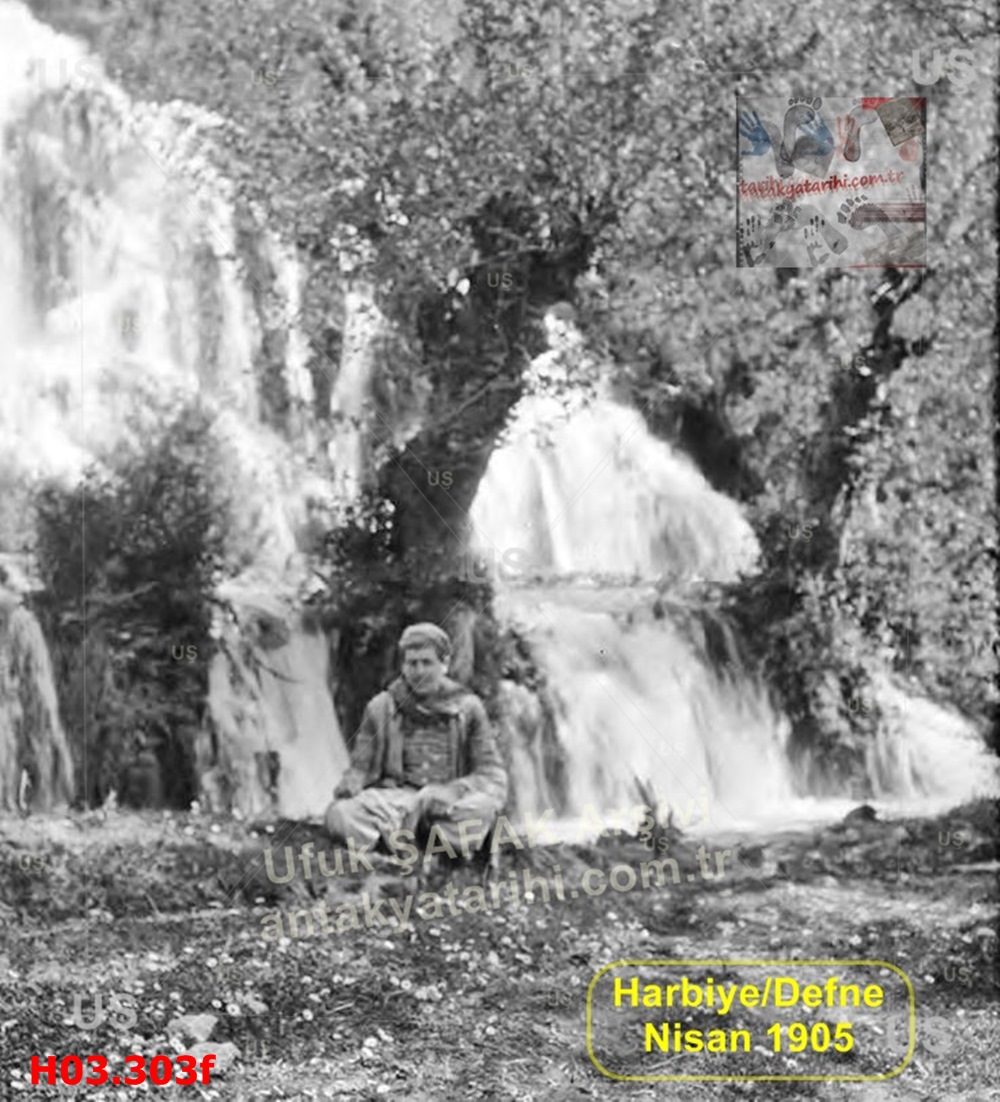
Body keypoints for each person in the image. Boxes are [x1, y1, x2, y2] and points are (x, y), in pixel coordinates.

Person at [324, 623, 508, 869]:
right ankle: (401, 849)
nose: (419, 671)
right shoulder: (381, 707)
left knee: (482, 808)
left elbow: (492, 774)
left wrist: (452, 790)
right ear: (403, 666)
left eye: (427, 663)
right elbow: (360, 766)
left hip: (448, 803)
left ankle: (429, 847)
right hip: (398, 800)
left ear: (444, 664)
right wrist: (351, 783)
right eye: (412, 663)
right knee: (340, 813)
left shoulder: (468, 708)